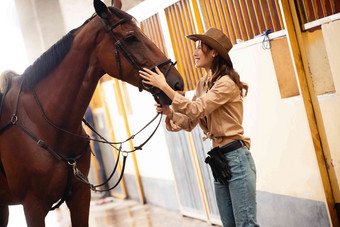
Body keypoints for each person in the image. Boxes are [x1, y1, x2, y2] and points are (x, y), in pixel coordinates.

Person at [139, 27, 258, 227]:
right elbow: (190, 121)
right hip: (219, 159)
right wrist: (170, 114)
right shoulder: (204, 83)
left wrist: (164, 86)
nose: (194, 52)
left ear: (214, 52)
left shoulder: (226, 83)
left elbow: (195, 109)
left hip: (236, 158)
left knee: (246, 224)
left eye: (200, 47)